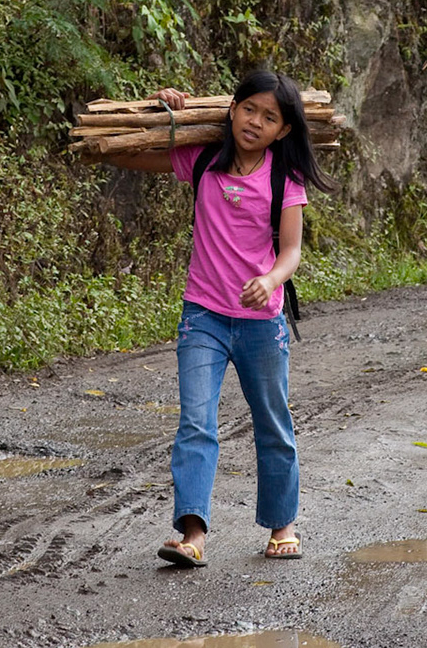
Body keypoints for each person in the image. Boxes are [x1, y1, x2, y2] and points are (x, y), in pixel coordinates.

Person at [101, 70, 332, 567]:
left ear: (284, 131)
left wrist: (270, 281)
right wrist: (159, 111)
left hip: (260, 322)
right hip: (202, 315)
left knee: (272, 423)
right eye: (249, 108)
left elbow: (291, 252)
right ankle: (192, 534)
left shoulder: (281, 178)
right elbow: (121, 152)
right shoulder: (204, 158)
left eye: (270, 117)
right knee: (196, 423)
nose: (255, 121)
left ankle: (283, 525)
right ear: (232, 108)